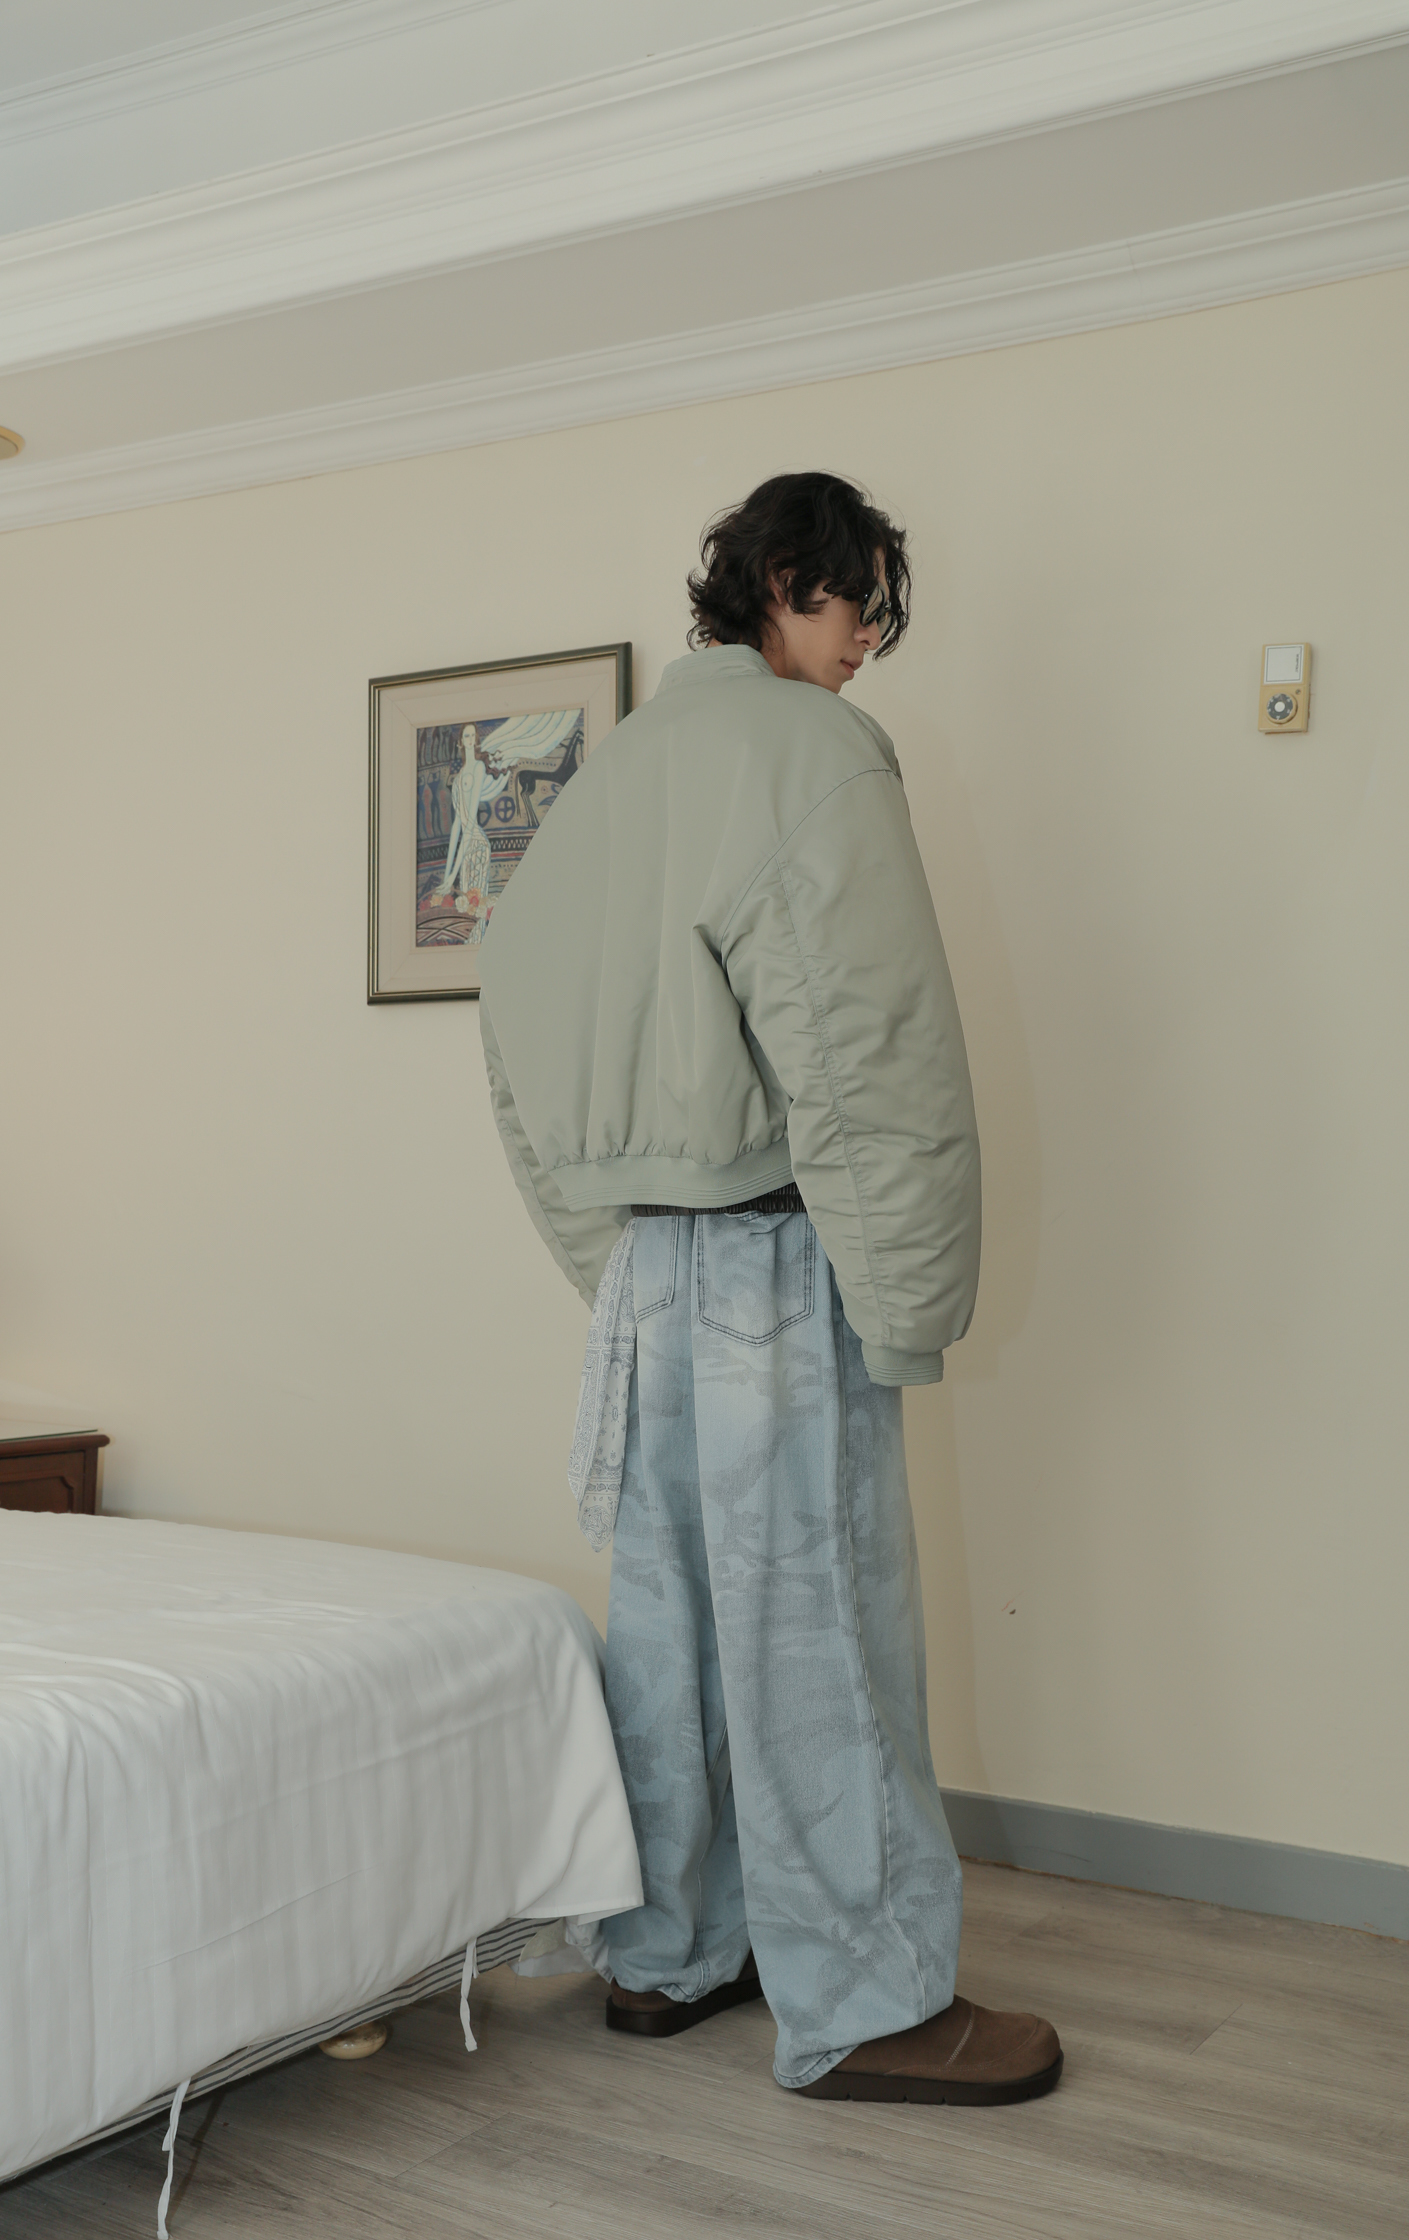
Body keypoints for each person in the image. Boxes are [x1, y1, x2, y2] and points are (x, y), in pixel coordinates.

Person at [477, 471, 1062, 2105]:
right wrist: (909, 1295)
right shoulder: (811, 754)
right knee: (824, 1635)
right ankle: (871, 2003)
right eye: (861, 604)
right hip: (775, 1255)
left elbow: (512, 1040)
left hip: (650, 1279)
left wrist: (610, 1262)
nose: (869, 643)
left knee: (666, 1631)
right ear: (789, 581)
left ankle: (668, 1953)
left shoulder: (603, 782)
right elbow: (868, 1050)